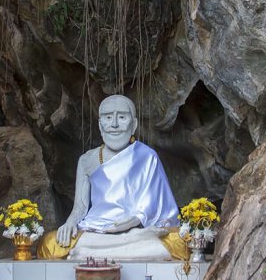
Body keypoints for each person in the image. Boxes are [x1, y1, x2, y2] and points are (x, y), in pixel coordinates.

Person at [37, 95, 188, 260]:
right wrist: (69, 223)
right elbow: (80, 207)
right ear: (100, 125)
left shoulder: (147, 156)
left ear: (134, 125)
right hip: (97, 231)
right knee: (49, 243)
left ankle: (94, 254)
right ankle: (128, 242)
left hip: (135, 227)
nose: (114, 124)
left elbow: (156, 205)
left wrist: (134, 220)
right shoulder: (87, 160)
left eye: (122, 117)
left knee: (181, 242)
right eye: (108, 118)